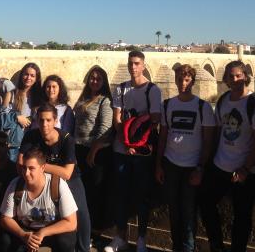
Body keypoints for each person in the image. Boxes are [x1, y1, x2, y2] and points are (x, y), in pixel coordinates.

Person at [200, 61, 255, 252]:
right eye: (231, 76)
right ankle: (217, 246)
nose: (235, 79)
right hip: (220, 166)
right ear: (226, 80)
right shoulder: (223, 100)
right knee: (205, 203)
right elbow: (218, 132)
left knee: (242, 216)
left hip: (246, 171)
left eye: (239, 75)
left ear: (246, 77)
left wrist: (245, 169)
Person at [155, 64, 216, 252]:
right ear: (175, 80)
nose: (183, 83)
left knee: (189, 212)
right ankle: (176, 247)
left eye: (187, 80)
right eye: (180, 79)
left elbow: (208, 141)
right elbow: (163, 137)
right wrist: (158, 165)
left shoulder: (203, 107)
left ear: (193, 82)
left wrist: (200, 168)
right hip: (171, 164)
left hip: (192, 166)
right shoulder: (167, 105)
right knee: (174, 210)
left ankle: (188, 248)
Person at [106, 51, 162, 252]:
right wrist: (126, 142)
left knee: (142, 196)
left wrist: (135, 145)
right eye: (131, 63)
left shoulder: (153, 90)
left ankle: (141, 239)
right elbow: (117, 119)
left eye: (137, 63)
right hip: (121, 150)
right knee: (120, 194)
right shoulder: (121, 89)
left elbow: (154, 121)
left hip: (142, 153)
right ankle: (120, 237)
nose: (133, 67)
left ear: (143, 65)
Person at [19, 103, 91, 252]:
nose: (44, 124)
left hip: (69, 179)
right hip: (41, 176)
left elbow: (67, 173)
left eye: (48, 120)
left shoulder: (66, 139)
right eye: (41, 120)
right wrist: (37, 170)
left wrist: (40, 166)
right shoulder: (31, 136)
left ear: (55, 120)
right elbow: (20, 162)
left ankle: (84, 248)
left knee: (81, 211)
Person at [0, 147, 78, 252]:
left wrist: (43, 232)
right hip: (26, 230)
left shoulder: (57, 184)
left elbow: (71, 222)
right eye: (24, 168)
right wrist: (22, 234)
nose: (26, 173)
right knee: (5, 240)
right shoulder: (16, 184)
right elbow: (5, 218)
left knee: (66, 241)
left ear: (42, 168)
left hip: (51, 230)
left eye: (31, 168)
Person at [73, 66, 113, 232]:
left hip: (96, 153)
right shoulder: (84, 98)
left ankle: (94, 230)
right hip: (79, 148)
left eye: (98, 79)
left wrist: (93, 151)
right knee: (80, 191)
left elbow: (105, 128)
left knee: (94, 192)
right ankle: (81, 228)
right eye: (92, 78)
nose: (94, 81)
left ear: (104, 82)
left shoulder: (105, 101)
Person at [0, 62, 43, 160]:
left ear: (37, 78)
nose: (28, 78)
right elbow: (1, 117)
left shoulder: (40, 97)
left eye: (32, 75)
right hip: (14, 143)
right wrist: (16, 117)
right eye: (26, 74)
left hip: (32, 143)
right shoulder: (12, 94)